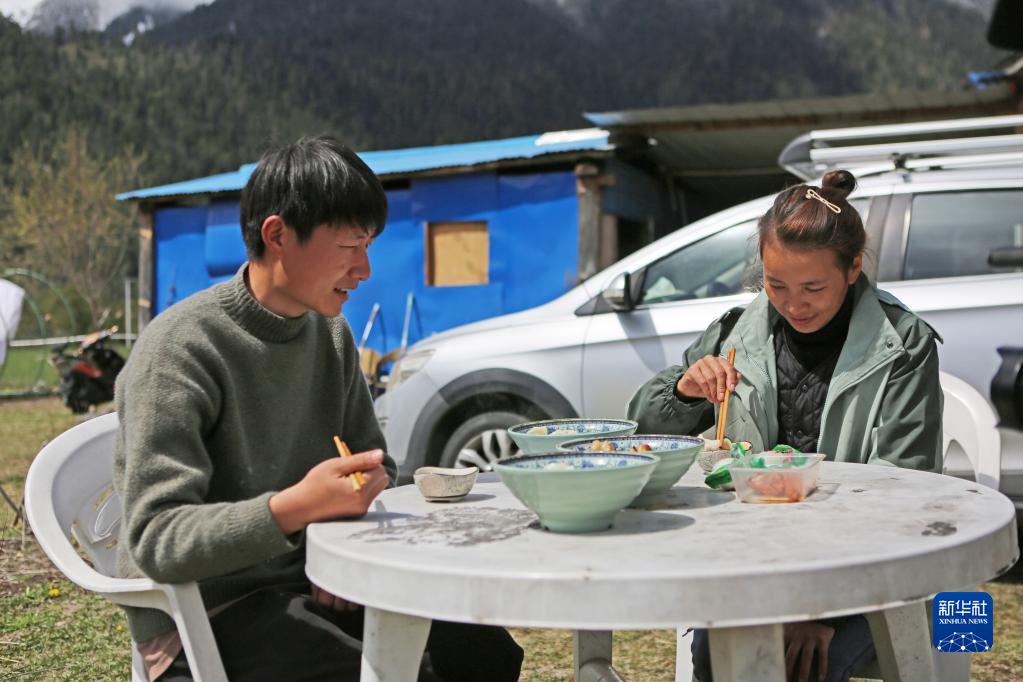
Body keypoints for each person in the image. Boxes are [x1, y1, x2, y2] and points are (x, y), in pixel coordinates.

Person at [112, 136, 524, 682]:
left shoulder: (329, 334)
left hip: (311, 580)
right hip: (204, 613)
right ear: (278, 235)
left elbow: (375, 466)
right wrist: (296, 511)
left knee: (484, 652)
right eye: (351, 246)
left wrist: (329, 543)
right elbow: (157, 538)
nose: (366, 270)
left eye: (369, 245)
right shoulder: (181, 349)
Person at [627, 169, 943, 682]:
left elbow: (906, 487)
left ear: (853, 267)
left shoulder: (900, 345)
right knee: (716, 657)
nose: (794, 305)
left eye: (813, 287)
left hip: (873, 575)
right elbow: (641, 431)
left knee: (799, 668)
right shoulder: (736, 333)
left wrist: (822, 609)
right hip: (756, 569)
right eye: (775, 285)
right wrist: (687, 389)